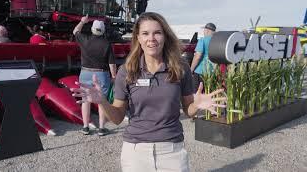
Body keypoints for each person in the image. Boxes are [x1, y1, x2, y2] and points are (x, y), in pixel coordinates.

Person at [71, 12, 226, 171]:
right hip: (135, 153)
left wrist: (197, 105)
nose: (151, 38)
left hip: (172, 152)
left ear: (165, 36)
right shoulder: (127, 71)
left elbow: (188, 111)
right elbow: (117, 118)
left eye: (157, 33)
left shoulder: (180, 68)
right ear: (138, 38)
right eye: (145, 33)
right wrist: (102, 101)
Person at [73, 15, 117, 136]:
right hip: (101, 74)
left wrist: (82, 21)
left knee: (85, 100)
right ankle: (101, 128)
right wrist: (113, 76)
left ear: (92, 29)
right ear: (103, 31)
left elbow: (75, 31)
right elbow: (112, 63)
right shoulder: (107, 44)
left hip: (85, 73)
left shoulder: (84, 39)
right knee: (101, 101)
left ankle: (86, 127)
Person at [190, 23, 216, 92]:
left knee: (197, 94)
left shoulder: (202, 40)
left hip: (200, 72)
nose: (203, 32)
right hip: (212, 72)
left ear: (207, 30)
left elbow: (197, 56)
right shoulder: (216, 41)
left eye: (204, 30)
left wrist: (191, 70)